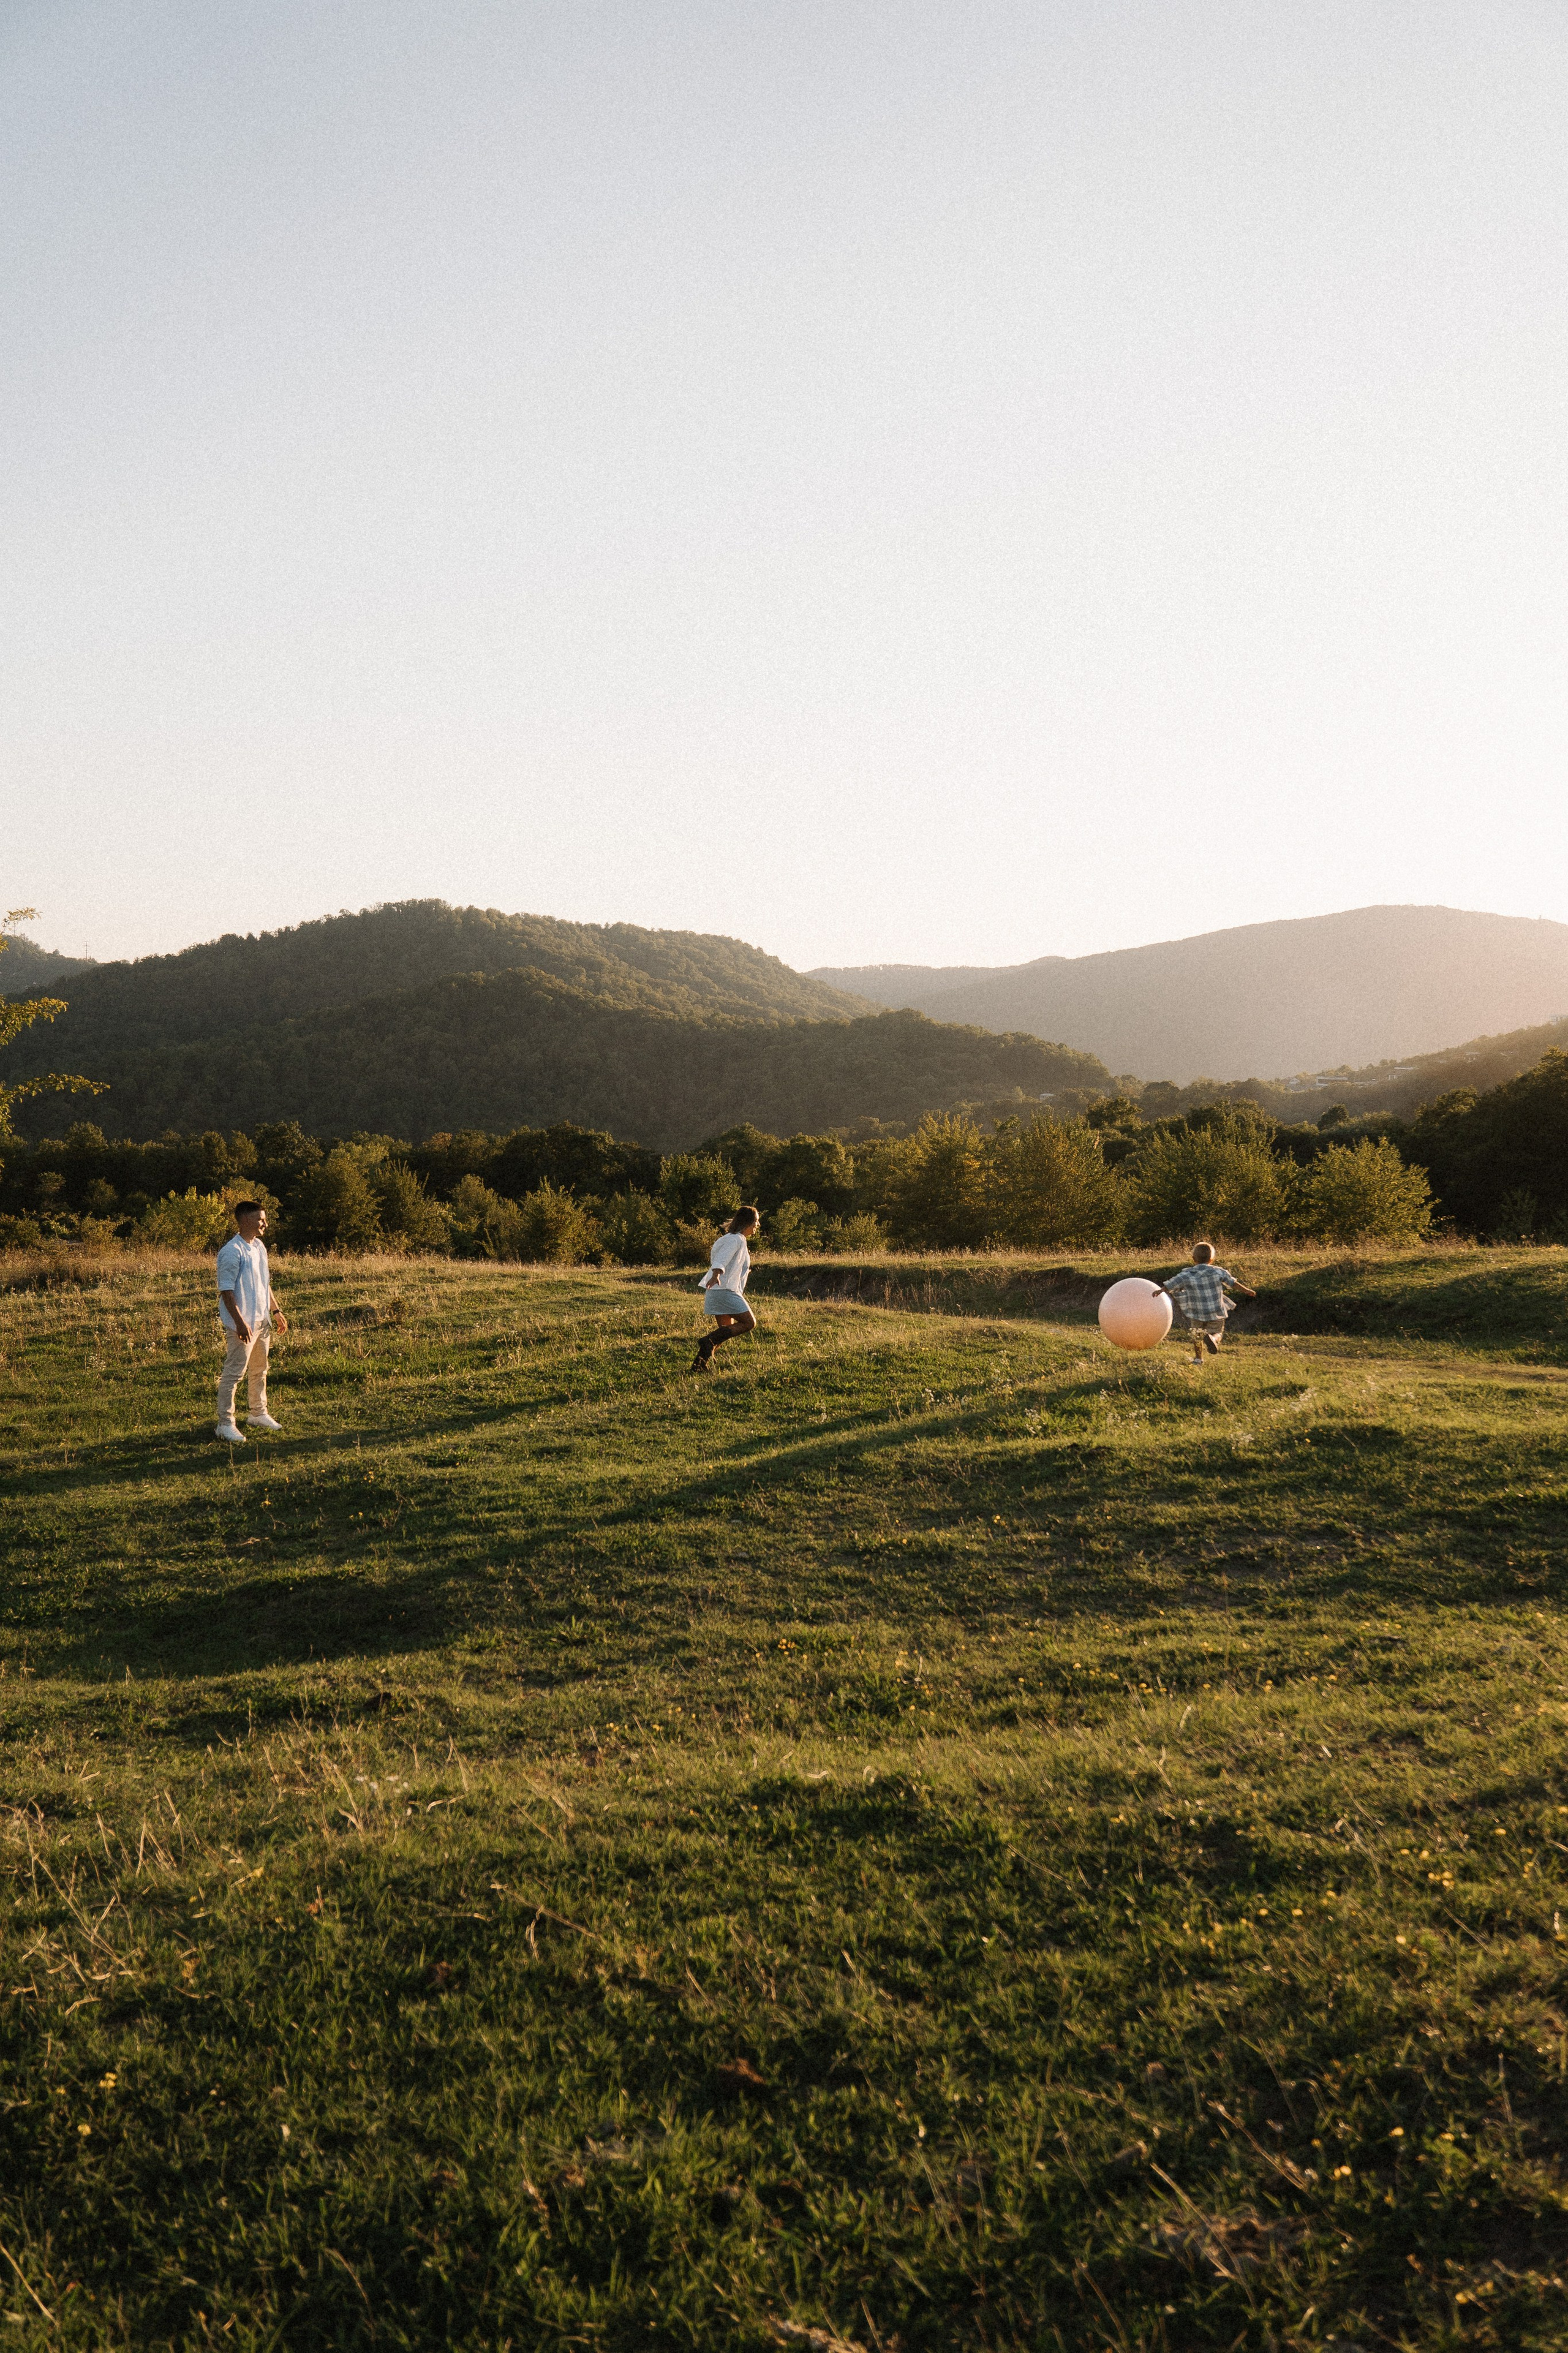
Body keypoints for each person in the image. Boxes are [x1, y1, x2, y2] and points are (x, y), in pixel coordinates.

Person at [214, 1201, 287, 1441]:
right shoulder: (231, 1251)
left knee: (260, 1370)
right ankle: (225, 1424)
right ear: (246, 1220)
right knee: (234, 1374)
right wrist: (240, 1323)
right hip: (243, 1325)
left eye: (264, 1219)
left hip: (262, 1321)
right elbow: (226, 1291)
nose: (265, 1223)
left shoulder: (259, 1247)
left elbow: (265, 1283)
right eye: (260, 1219)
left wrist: (275, 1311)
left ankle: (258, 1413)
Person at [1153, 1242, 1256, 1364]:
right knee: (1218, 1332)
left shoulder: (1186, 1274)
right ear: (1212, 1259)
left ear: (1193, 1259)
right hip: (1216, 1311)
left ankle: (1198, 1359)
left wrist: (1160, 1291)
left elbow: (1172, 1284)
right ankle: (1214, 1338)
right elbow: (1232, 1283)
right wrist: (1247, 1290)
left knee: (1197, 1336)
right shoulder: (1218, 1272)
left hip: (1196, 1313)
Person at [693, 1206, 761, 1372]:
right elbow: (721, 1260)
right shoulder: (736, 1240)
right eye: (757, 1221)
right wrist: (717, 1273)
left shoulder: (729, 1239)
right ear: (749, 1222)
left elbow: (726, 1260)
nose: (758, 1225)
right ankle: (707, 1341)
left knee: (722, 1335)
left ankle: (699, 1365)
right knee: (749, 1323)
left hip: (717, 1292)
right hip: (724, 1291)